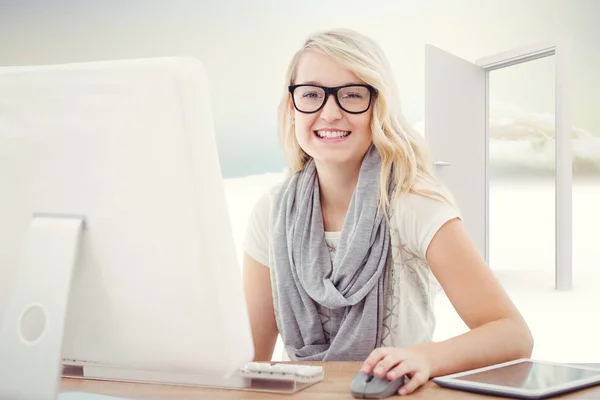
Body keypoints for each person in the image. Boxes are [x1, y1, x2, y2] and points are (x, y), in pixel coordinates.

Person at [242, 28, 533, 396]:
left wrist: (425, 358)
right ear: (291, 107)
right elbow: (250, 358)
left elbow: (512, 332)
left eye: (351, 95)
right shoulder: (270, 212)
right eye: (312, 94)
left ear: (378, 106)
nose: (329, 112)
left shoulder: (415, 205)